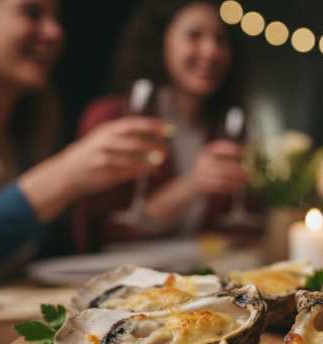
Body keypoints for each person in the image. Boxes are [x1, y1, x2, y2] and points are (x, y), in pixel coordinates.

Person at [0, 0, 168, 288]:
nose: (55, 32)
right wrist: (62, 177)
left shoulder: (29, 137)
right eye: (31, 13)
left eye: (56, 18)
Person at [72, 0, 250, 252]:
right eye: (194, 35)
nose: (212, 51)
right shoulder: (113, 118)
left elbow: (243, 225)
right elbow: (103, 234)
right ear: (160, 41)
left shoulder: (224, 129)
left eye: (221, 39)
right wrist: (193, 185)